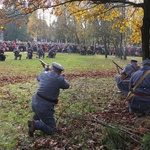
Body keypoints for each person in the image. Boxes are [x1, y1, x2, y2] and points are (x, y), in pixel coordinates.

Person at [28, 62, 70, 137]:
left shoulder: (44, 73)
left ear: (52, 69)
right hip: (45, 106)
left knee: (39, 112)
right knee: (52, 128)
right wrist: (62, 76)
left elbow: (38, 77)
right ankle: (36, 124)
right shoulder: (59, 78)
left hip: (34, 101)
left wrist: (46, 68)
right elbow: (67, 86)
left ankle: (36, 119)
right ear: (60, 72)